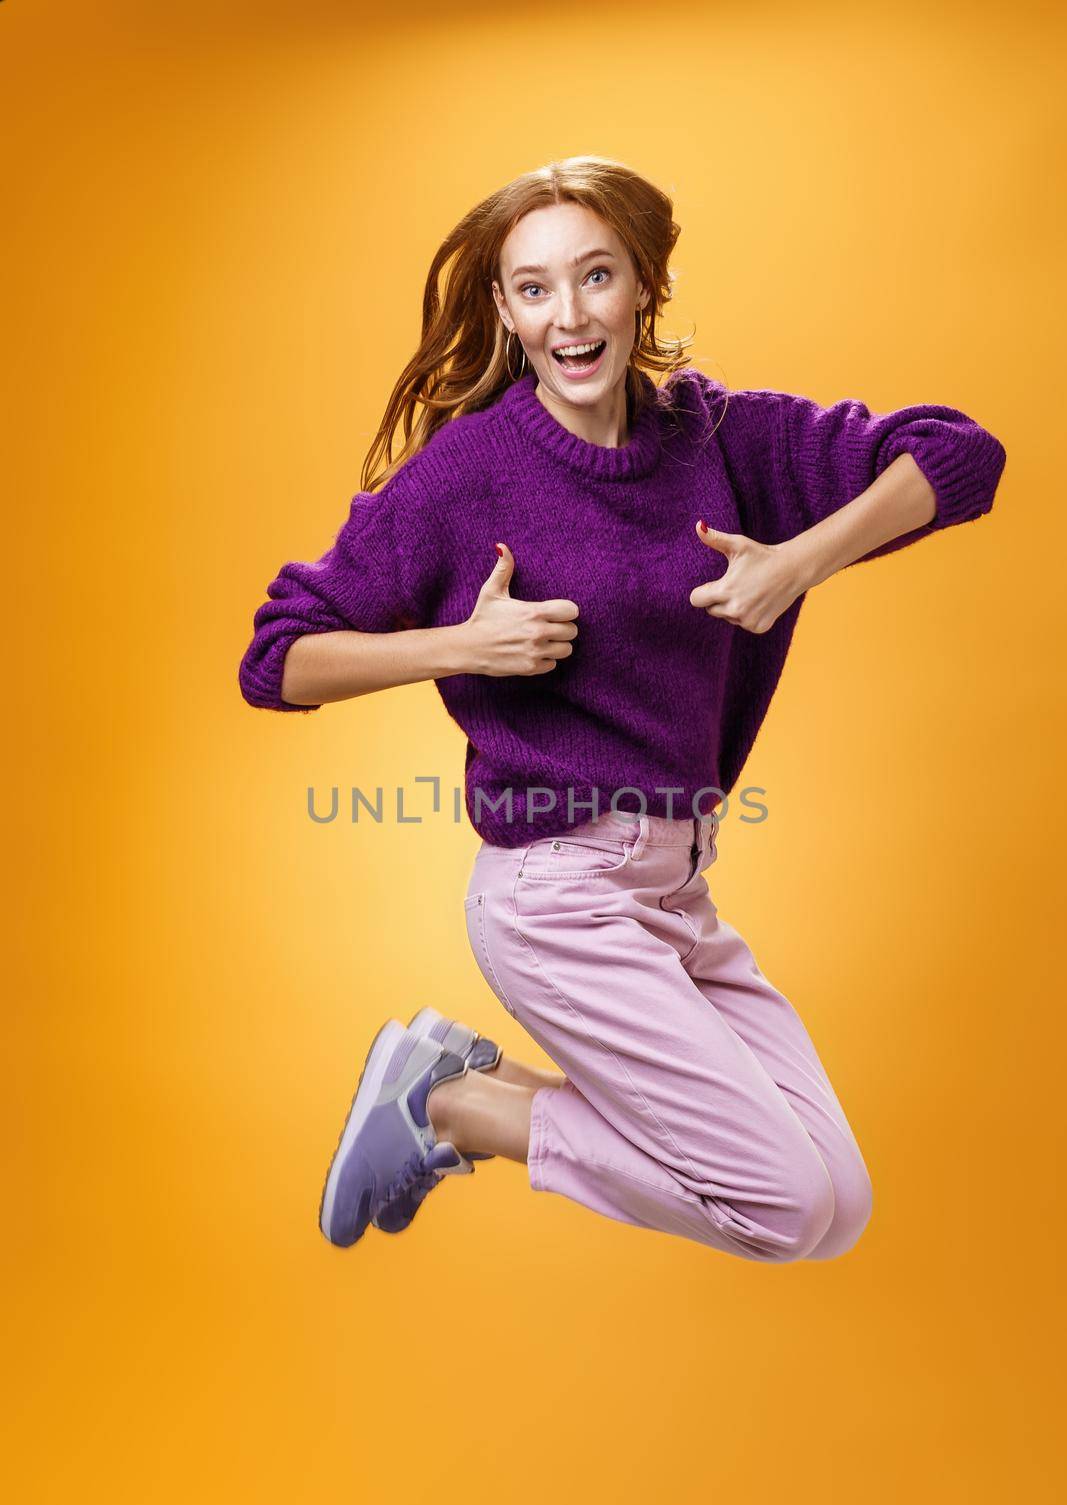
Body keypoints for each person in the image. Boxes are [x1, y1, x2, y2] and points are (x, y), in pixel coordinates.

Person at [238, 156, 1007, 1260]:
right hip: (555, 899)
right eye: (536, 288)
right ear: (505, 310)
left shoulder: (718, 437)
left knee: (833, 1205)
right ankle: (457, 1107)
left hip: (672, 883)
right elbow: (279, 658)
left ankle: (452, 1090)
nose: (569, 316)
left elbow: (957, 455)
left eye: (595, 277)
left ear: (643, 286)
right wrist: (466, 645)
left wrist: (797, 561)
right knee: (782, 1204)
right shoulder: (468, 473)